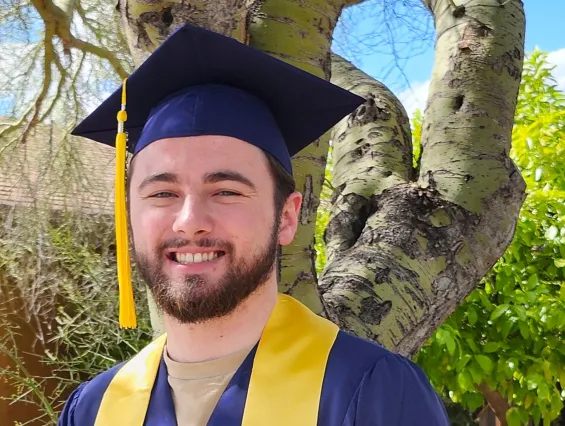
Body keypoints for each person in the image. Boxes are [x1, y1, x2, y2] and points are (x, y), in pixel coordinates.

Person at [57, 24, 450, 426]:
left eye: (226, 191)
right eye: (162, 194)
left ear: (287, 217)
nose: (190, 221)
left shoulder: (372, 391)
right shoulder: (93, 408)